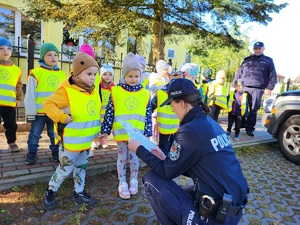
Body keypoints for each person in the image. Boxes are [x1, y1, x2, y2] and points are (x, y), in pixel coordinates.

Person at [128, 78, 248, 225]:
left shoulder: (190, 131)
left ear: (182, 104)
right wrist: (165, 157)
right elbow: (197, 165)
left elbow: (167, 172)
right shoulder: (209, 123)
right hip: (230, 209)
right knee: (183, 190)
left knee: (151, 180)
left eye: (172, 105)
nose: (172, 110)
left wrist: (139, 149)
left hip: (214, 217)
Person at [42, 52, 100, 211]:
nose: (93, 77)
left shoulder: (92, 91)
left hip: (86, 140)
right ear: (76, 73)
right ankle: (50, 191)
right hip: (71, 142)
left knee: (81, 167)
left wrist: (98, 132)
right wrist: (62, 117)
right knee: (64, 168)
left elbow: (93, 113)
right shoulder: (67, 91)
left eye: (95, 74)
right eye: (89, 74)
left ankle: (79, 192)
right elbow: (48, 105)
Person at [99, 52, 152, 199]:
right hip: (122, 133)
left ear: (141, 75)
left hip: (136, 134)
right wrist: (105, 130)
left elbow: (147, 114)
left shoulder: (145, 93)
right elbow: (110, 112)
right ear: (124, 76)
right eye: (130, 76)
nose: (134, 79)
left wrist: (148, 131)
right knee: (122, 158)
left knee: (134, 158)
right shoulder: (116, 92)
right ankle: (122, 183)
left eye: (137, 76)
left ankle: (133, 180)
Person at [24, 43, 67, 165]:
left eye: (55, 55)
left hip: (55, 112)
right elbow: (30, 94)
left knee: (54, 134)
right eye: (49, 55)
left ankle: (56, 153)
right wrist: (30, 112)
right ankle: (31, 154)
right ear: (43, 57)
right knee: (35, 134)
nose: (53, 57)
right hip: (39, 112)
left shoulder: (62, 74)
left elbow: (64, 94)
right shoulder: (36, 73)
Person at [232, 41, 277, 136]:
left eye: (259, 48)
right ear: (253, 49)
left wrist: (269, 88)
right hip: (243, 87)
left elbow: (273, 76)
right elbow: (239, 73)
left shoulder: (268, 61)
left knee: (253, 109)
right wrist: (234, 86)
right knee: (241, 107)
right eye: (256, 48)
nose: (257, 50)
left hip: (257, 89)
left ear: (263, 49)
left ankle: (250, 128)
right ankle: (240, 125)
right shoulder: (247, 60)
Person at [0, 37, 24, 152]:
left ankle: (12, 142)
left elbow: (18, 85)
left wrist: (19, 98)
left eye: (8, 48)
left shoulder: (16, 69)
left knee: (11, 125)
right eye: (1, 48)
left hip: (9, 103)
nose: (5, 51)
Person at [151, 70, 182, 155]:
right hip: (174, 125)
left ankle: (165, 163)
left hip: (169, 125)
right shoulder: (182, 92)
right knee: (172, 146)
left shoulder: (161, 91)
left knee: (166, 147)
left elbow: (153, 104)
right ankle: (168, 163)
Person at [89, 64, 115, 157]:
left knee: (106, 126)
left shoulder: (114, 88)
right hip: (99, 111)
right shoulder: (98, 86)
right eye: (105, 74)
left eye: (109, 74)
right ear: (101, 75)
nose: (107, 76)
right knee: (97, 126)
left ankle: (103, 140)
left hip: (107, 111)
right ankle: (95, 141)